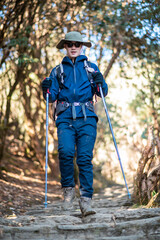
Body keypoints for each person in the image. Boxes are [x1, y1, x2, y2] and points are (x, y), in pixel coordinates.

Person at [41, 31, 108, 216]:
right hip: (65, 118)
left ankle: (86, 200)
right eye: (69, 44)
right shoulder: (57, 71)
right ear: (64, 46)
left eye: (76, 44)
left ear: (81, 47)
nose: (73, 47)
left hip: (87, 118)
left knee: (85, 158)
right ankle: (68, 190)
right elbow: (51, 96)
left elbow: (102, 91)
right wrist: (45, 89)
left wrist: (100, 82)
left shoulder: (91, 68)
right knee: (66, 152)